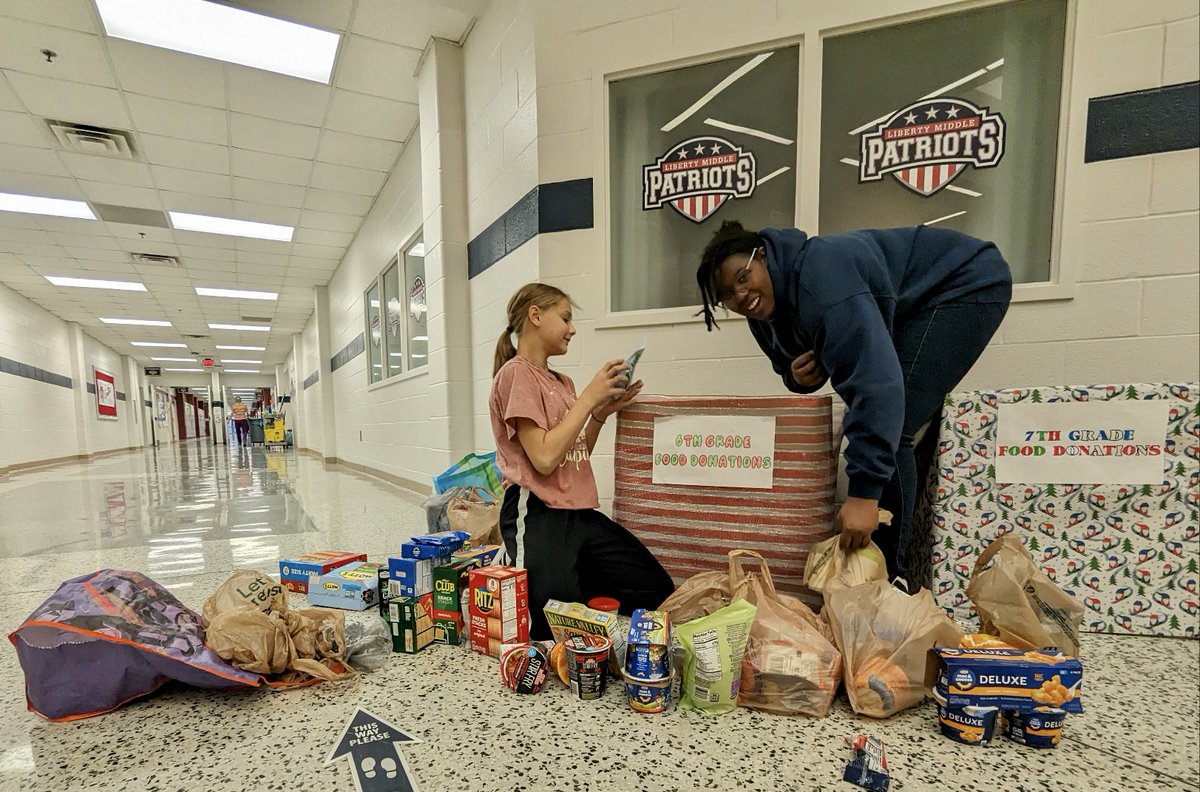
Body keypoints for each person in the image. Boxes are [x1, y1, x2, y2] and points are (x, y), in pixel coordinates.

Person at [695, 221, 1011, 589]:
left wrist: (863, 495)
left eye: (743, 277)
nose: (740, 296)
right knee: (888, 419)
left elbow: (876, 384)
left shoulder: (822, 281)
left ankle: (889, 585)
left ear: (761, 255)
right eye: (727, 296)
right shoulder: (765, 312)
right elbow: (789, 363)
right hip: (914, 299)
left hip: (963, 280)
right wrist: (796, 378)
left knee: (895, 421)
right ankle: (888, 575)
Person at [489, 283, 676, 639]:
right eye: (565, 318)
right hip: (537, 509)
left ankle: (563, 572)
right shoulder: (516, 374)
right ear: (535, 315)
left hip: (577, 513)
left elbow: (571, 456)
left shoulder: (563, 382)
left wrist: (599, 413)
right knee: (551, 627)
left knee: (657, 591)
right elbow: (543, 459)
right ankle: (519, 559)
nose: (572, 329)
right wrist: (589, 399)